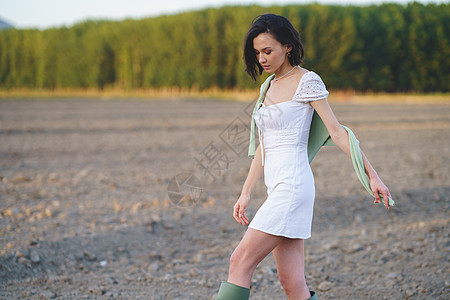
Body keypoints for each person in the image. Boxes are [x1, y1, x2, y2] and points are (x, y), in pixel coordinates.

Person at [215, 13, 392, 300]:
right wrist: (246, 192)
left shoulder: (307, 81)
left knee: (239, 261)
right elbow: (263, 145)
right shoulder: (268, 87)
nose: (262, 58)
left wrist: (372, 176)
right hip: (277, 189)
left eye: (268, 51)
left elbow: (337, 132)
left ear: (287, 46)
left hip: (293, 188)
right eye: (257, 52)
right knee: (292, 282)